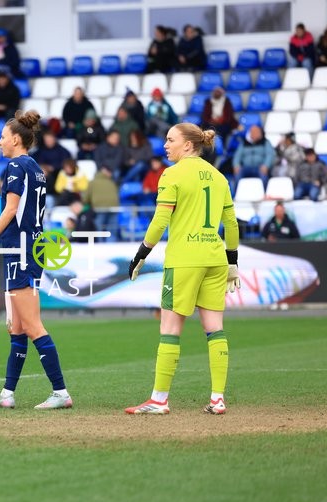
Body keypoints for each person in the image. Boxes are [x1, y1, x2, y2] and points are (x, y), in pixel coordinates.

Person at [125, 123, 239, 416]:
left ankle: (159, 400)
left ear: (188, 145)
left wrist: (141, 253)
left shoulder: (172, 174)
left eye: (170, 139)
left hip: (184, 259)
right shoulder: (219, 177)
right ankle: (217, 399)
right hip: (215, 259)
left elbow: (160, 221)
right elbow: (232, 223)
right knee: (215, 329)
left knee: (170, 329)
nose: (165, 145)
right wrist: (233, 262)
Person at [0, 110, 72, 410]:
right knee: (17, 326)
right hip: (30, 248)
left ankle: (61, 392)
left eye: (2, 137)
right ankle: (8, 393)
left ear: (15, 139)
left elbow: (10, 210)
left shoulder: (14, 166)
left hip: (21, 249)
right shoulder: (35, 166)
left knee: (32, 324)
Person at [86, 166, 120, 241]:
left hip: (99, 208)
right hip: (113, 208)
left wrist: (88, 203)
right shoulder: (112, 182)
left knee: (99, 228)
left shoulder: (92, 182)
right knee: (112, 229)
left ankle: (100, 246)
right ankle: (111, 247)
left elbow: (86, 197)